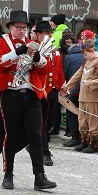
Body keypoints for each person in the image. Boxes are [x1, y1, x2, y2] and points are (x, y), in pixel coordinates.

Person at [0, 10, 57, 191]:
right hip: (11, 95)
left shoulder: (32, 44)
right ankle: (8, 174)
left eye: (25, 28)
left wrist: (37, 57)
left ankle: (40, 176)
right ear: (10, 27)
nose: (22, 30)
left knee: (36, 135)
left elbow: (44, 69)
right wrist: (18, 52)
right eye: (18, 27)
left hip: (31, 95)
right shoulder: (1, 42)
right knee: (10, 135)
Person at [61, 38, 98, 154]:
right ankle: (84, 140)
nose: (84, 56)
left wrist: (91, 83)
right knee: (82, 120)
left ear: (92, 50)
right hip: (83, 95)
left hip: (94, 96)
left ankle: (94, 143)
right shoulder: (87, 61)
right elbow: (78, 73)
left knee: (93, 120)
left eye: (86, 53)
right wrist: (68, 86)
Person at [33, 20, 64, 167]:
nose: (49, 36)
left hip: (52, 91)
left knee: (50, 122)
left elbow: (59, 70)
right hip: (38, 91)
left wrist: (61, 85)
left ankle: (33, 143)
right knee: (42, 123)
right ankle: (45, 153)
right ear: (38, 35)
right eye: (46, 33)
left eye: (50, 33)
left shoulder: (55, 51)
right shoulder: (34, 50)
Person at [59, 33, 84, 148]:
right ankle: (83, 137)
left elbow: (65, 74)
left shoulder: (69, 57)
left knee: (72, 114)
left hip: (73, 90)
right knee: (83, 115)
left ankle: (75, 138)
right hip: (84, 91)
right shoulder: (84, 57)